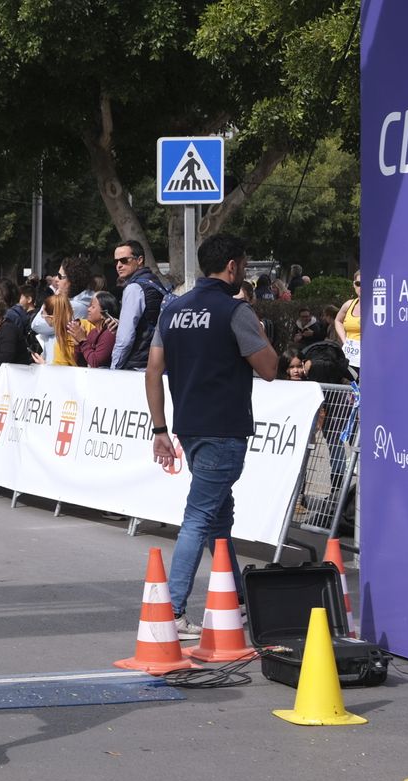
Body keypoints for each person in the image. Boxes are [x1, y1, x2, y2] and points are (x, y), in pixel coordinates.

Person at [145, 234, 278, 636]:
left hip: (188, 426)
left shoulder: (173, 310)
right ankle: (173, 609)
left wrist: (160, 429)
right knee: (201, 517)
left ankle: (234, 600)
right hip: (224, 429)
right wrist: (258, 324)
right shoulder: (235, 312)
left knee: (217, 517)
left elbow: (153, 370)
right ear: (234, 267)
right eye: (244, 262)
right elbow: (270, 367)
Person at [109, 242, 166, 371]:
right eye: (116, 261)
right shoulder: (155, 283)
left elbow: (125, 339)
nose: (119, 265)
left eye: (124, 260)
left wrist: (114, 368)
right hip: (156, 363)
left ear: (139, 260)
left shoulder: (134, 288)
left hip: (137, 365)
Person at [69, 291, 121, 368]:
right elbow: (82, 364)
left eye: (93, 307)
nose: (88, 309)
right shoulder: (93, 332)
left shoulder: (110, 333)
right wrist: (78, 344)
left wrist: (83, 341)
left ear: (104, 313)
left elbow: (96, 363)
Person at [336, 271, 363, 372]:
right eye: (358, 284)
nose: (361, 287)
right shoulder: (349, 304)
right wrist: (344, 340)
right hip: (349, 359)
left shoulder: (378, 306)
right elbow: (338, 321)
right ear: (354, 284)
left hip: (368, 360)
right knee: (350, 386)